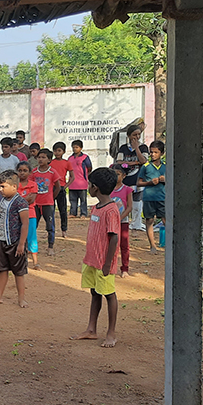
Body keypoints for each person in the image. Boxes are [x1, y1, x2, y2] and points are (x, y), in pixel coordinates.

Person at [72, 167, 121, 348]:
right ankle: (91, 329)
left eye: (90, 184)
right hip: (92, 260)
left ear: (95, 188)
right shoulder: (96, 208)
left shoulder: (111, 210)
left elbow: (114, 236)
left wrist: (108, 264)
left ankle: (111, 333)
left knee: (109, 294)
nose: (88, 187)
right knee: (94, 292)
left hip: (103, 263)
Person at [0, 169, 30, 308]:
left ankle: (22, 299)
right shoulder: (2, 201)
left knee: (19, 272)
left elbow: (25, 224)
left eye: (3, 186)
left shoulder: (20, 202)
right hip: (2, 240)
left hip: (15, 242)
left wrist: (21, 244)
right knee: (2, 269)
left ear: (14, 186)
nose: (0, 189)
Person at [112, 122, 148, 231]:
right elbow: (119, 162)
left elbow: (144, 161)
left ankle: (137, 223)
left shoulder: (143, 147)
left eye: (138, 134)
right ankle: (125, 221)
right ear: (129, 136)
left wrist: (137, 149)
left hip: (138, 179)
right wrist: (134, 163)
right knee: (125, 201)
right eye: (134, 135)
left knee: (137, 202)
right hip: (126, 180)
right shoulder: (123, 148)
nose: (137, 137)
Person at [139, 140, 166, 253]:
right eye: (151, 152)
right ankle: (152, 245)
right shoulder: (146, 166)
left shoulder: (166, 166)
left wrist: (165, 180)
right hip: (149, 197)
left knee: (165, 220)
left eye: (156, 152)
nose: (153, 155)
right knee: (149, 220)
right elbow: (139, 183)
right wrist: (149, 183)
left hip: (163, 197)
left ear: (162, 153)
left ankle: (167, 244)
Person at [31, 149, 58, 256]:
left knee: (50, 226)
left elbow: (58, 187)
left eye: (43, 157)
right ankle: (31, 246)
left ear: (49, 159)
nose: (41, 159)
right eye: (39, 157)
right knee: (33, 225)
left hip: (48, 204)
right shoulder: (33, 172)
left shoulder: (52, 172)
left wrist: (51, 197)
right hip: (36, 204)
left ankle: (50, 247)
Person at [110, 163, 133, 278]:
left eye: (118, 174)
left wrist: (120, 218)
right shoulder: (108, 189)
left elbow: (129, 207)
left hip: (122, 222)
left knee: (124, 245)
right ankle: (111, 267)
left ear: (123, 176)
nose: (116, 177)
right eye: (114, 174)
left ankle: (125, 268)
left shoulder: (127, 190)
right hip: (110, 223)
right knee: (111, 245)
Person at [16, 162, 39, 268]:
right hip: (16, 215)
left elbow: (32, 200)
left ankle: (35, 262)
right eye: (20, 170)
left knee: (31, 237)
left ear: (29, 172)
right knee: (19, 238)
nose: (22, 173)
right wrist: (25, 199)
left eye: (25, 171)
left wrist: (20, 200)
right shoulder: (14, 184)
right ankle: (22, 260)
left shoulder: (33, 184)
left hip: (30, 214)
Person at [67, 139, 93, 218]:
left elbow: (89, 167)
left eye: (77, 147)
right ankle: (73, 213)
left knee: (83, 200)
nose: (75, 149)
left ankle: (83, 213)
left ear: (81, 148)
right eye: (73, 147)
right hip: (72, 183)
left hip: (82, 182)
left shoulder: (85, 157)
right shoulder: (70, 158)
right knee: (73, 200)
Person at [50, 142, 71, 238]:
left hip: (61, 188)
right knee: (50, 210)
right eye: (55, 151)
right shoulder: (50, 163)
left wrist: (66, 186)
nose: (57, 153)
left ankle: (64, 230)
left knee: (63, 210)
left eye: (59, 151)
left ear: (63, 151)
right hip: (51, 188)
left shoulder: (67, 163)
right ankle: (50, 230)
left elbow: (72, 176)